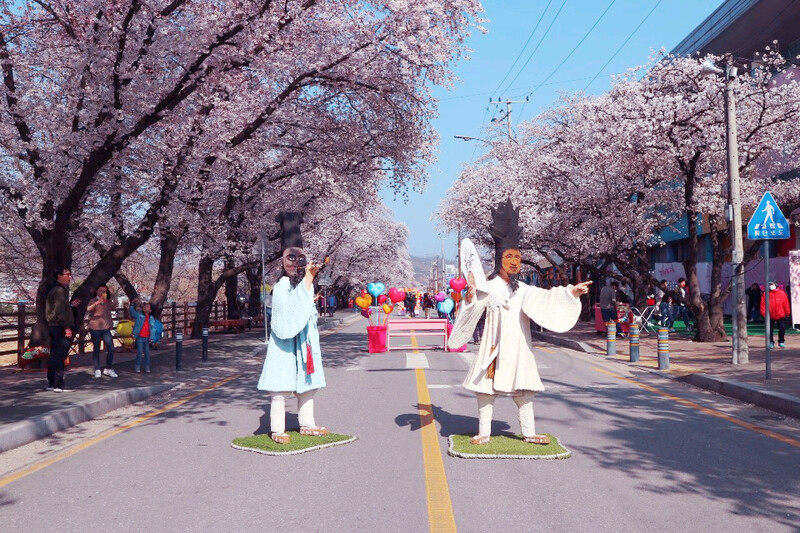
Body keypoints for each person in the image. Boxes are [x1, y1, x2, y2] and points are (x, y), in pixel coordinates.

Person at [448, 200, 591, 446]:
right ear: (499, 259)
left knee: (525, 391)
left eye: (517, 256)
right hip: (494, 347)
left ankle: (528, 432)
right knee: (485, 390)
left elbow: (547, 296)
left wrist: (571, 292)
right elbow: (474, 305)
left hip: (519, 347)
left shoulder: (523, 288)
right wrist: (470, 297)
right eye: (509, 256)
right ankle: (484, 432)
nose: (514, 261)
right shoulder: (489, 287)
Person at [257, 212, 328, 444]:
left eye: (301, 259)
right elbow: (286, 317)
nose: (296, 263)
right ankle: (277, 428)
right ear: (282, 261)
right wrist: (308, 280)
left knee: (307, 387)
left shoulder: (304, 285)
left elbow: (304, 307)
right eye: (291, 258)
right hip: (285, 345)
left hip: (304, 343)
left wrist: (309, 291)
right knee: (279, 391)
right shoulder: (281, 285)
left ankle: (306, 422)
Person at [45, 267, 79, 392]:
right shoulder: (59, 290)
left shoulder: (55, 289)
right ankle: (58, 384)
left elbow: (60, 308)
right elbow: (59, 310)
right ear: (59, 276)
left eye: (70, 274)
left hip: (54, 326)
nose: (69, 277)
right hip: (59, 326)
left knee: (54, 354)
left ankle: (51, 382)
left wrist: (71, 306)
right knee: (60, 354)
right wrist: (66, 327)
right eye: (66, 274)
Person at [86, 284, 119, 378]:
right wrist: (97, 302)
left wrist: (112, 294)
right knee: (96, 348)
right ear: (96, 291)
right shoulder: (92, 301)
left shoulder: (107, 302)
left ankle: (108, 369)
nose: (102, 293)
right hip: (95, 328)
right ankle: (97, 369)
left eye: (104, 291)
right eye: (100, 291)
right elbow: (88, 309)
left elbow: (115, 304)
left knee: (111, 348)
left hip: (106, 328)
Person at [128, 298, 162, 373]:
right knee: (139, 352)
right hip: (140, 337)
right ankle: (137, 366)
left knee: (147, 353)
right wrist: (132, 304)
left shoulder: (151, 318)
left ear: (150, 310)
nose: (145, 307)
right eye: (145, 306)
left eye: (147, 307)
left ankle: (147, 367)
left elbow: (153, 329)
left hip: (147, 338)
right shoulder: (139, 315)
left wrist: (152, 339)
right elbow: (132, 313)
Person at [760, 281, 790, 348]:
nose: (770, 286)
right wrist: (763, 313)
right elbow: (762, 304)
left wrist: (787, 313)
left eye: (772, 284)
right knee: (769, 330)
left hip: (780, 315)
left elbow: (785, 304)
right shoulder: (765, 294)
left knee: (782, 328)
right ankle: (771, 342)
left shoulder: (782, 293)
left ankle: (781, 341)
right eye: (769, 285)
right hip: (769, 315)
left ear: (776, 285)